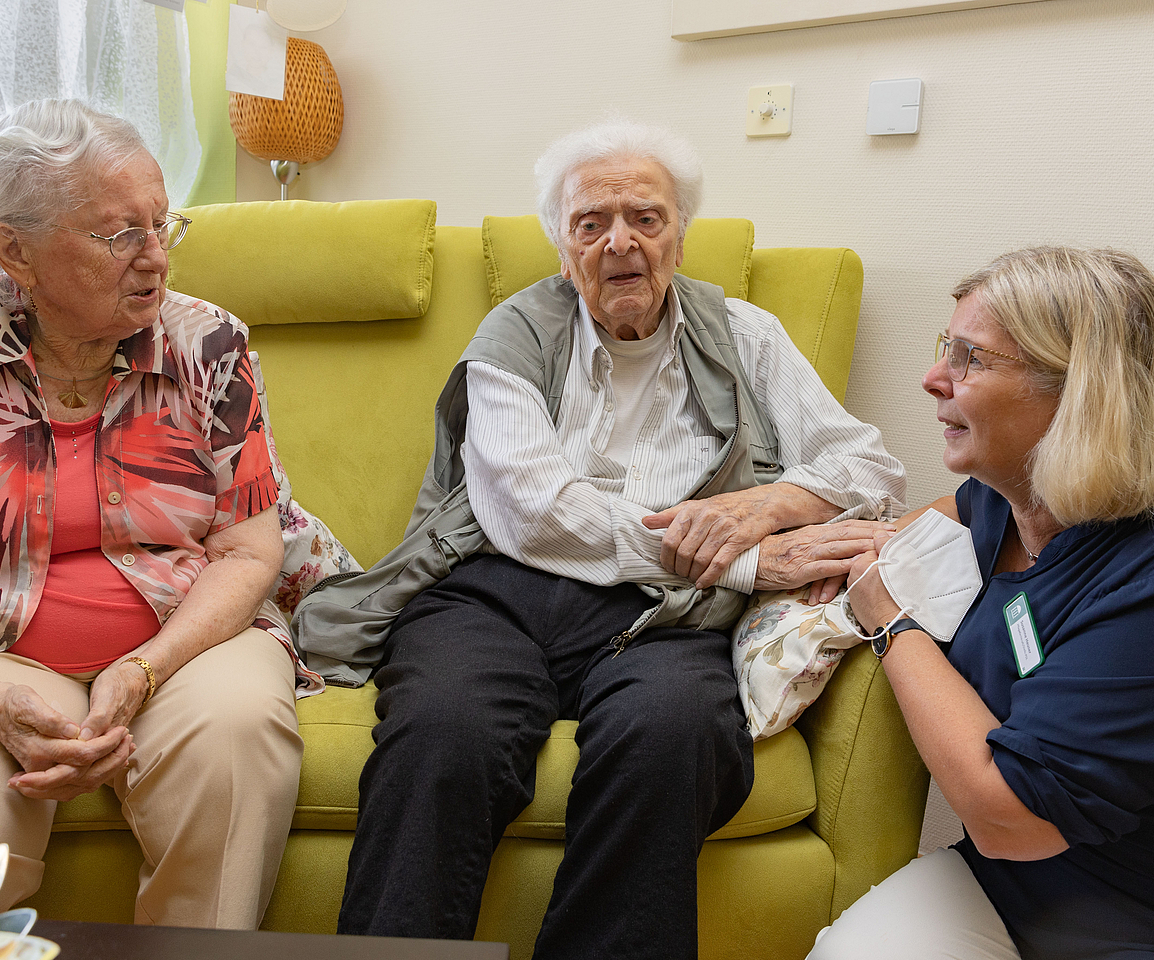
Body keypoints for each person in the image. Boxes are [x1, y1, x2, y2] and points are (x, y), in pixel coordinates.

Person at [294, 119, 905, 959]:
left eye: (646, 218)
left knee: (674, 734)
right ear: (563, 249)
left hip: (669, 616)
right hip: (494, 593)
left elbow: (871, 467)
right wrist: (753, 560)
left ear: (680, 237)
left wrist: (762, 505)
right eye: (591, 223)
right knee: (445, 732)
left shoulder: (745, 334)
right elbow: (533, 511)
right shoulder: (510, 339)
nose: (621, 241)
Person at [0, 99, 307, 929]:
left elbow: (249, 555)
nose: (154, 259)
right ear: (14, 251)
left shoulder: (209, 346)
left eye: (162, 224)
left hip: (182, 645)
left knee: (238, 741)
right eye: (118, 235)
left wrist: (143, 667)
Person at [810, 247, 1154, 960]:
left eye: (970, 358)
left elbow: (1015, 817)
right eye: (947, 347)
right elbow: (943, 515)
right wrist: (853, 540)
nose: (933, 377)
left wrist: (891, 623)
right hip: (1005, 888)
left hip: (1153, 918)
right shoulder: (1012, 501)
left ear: (1080, 394)